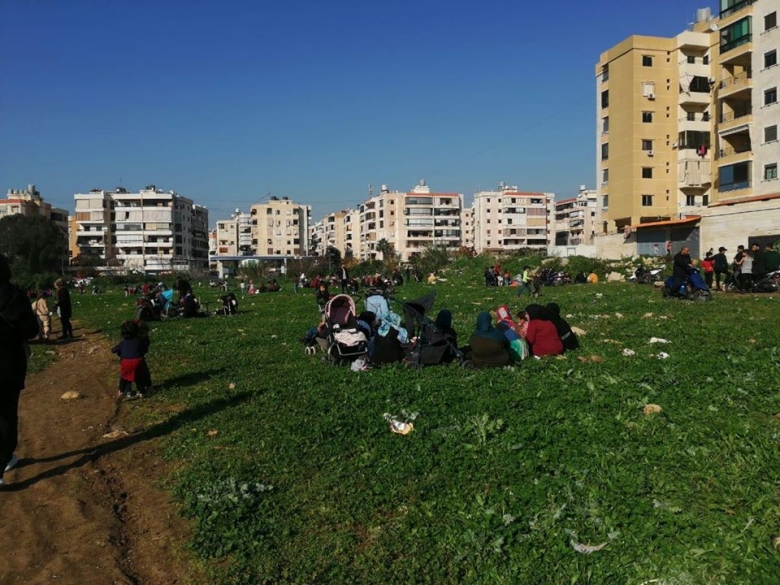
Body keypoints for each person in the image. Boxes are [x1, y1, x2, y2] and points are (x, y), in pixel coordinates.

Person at [0, 254, 40, 487]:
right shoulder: (14, 295)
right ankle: (4, 460)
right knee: (6, 414)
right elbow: (31, 330)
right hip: (8, 366)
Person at [111, 320, 151, 400]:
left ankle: (122, 392)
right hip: (138, 361)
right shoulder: (139, 341)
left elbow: (114, 350)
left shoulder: (123, 342)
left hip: (125, 362)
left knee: (124, 377)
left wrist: (115, 349)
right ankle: (141, 392)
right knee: (139, 377)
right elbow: (144, 349)